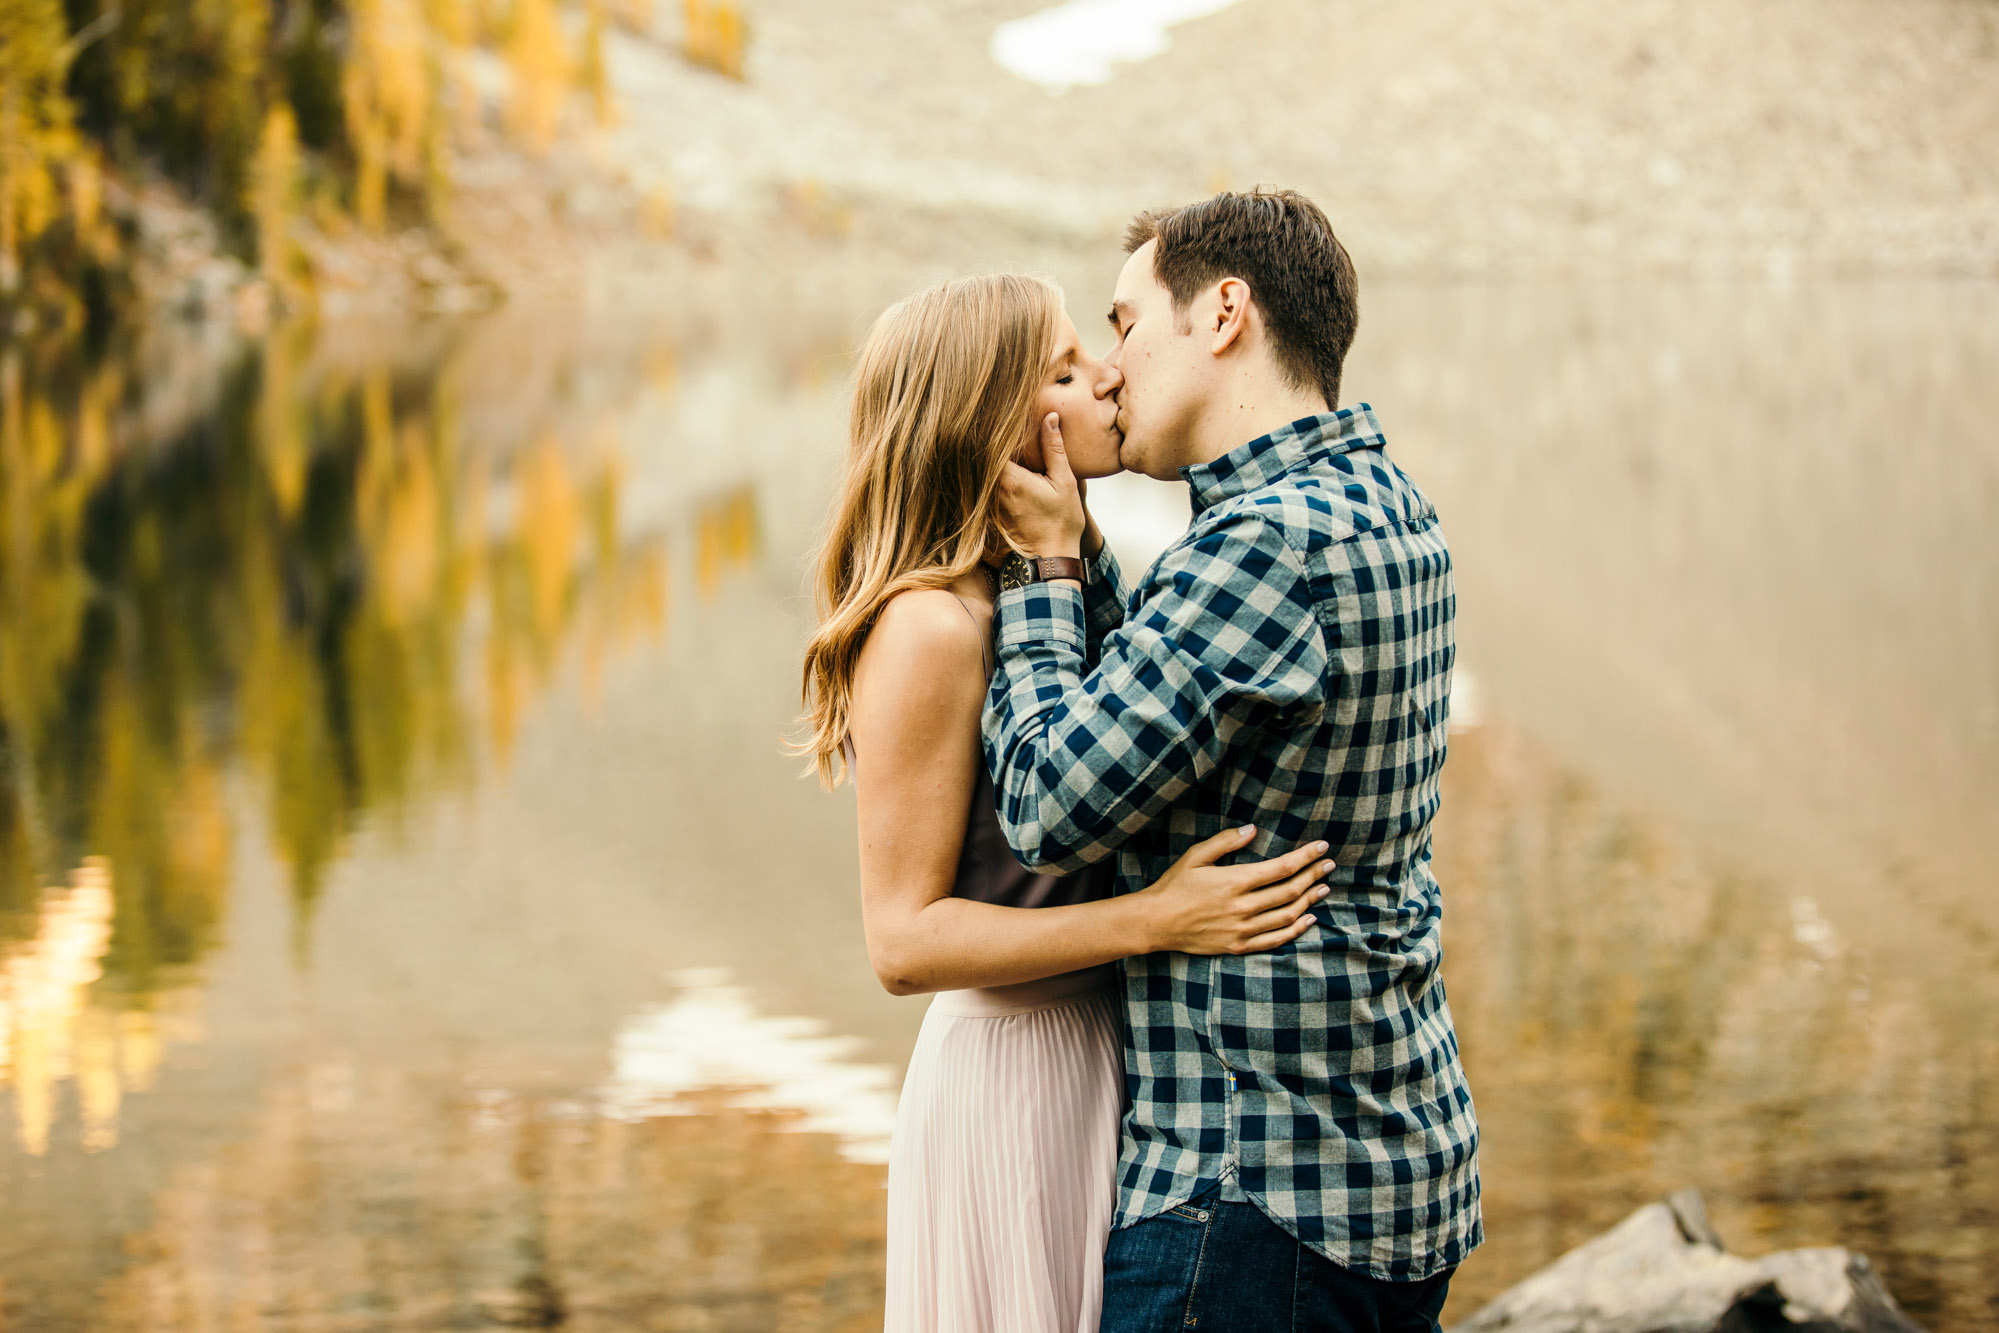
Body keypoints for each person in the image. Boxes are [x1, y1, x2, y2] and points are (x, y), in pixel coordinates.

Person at [792, 272, 1338, 1333]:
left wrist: (1067, 553)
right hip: (1016, 1080)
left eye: (1094, 349)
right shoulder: (933, 628)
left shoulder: (1052, 585)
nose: (1109, 374)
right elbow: (900, 942)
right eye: (1063, 370)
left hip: (1112, 1060)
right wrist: (1158, 919)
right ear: (988, 426)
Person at [984, 190, 1483, 1330]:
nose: (1109, 370)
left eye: (1122, 323)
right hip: (1391, 1163)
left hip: (1253, 1198)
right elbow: (1166, 696)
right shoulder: (1379, 503)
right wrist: (1086, 551)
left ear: (1221, 313)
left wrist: (1039, 573)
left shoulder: (1265, 545)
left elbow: (1049, 799)